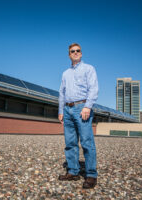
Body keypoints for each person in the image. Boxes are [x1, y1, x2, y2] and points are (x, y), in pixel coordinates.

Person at [58, 43, 98, 189]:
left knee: (87, 143)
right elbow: (61, 93)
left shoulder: (89, 69)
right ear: (69, 54)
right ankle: (73, 171)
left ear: (81, 53)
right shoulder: (65, 73)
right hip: (67, 110)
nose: (75, 52)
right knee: (70, 143)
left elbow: (93, 88)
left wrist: (87, 106)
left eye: (77, 51)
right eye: (72, 51)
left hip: (82, 108)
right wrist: (61, 111)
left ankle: (91, 175)